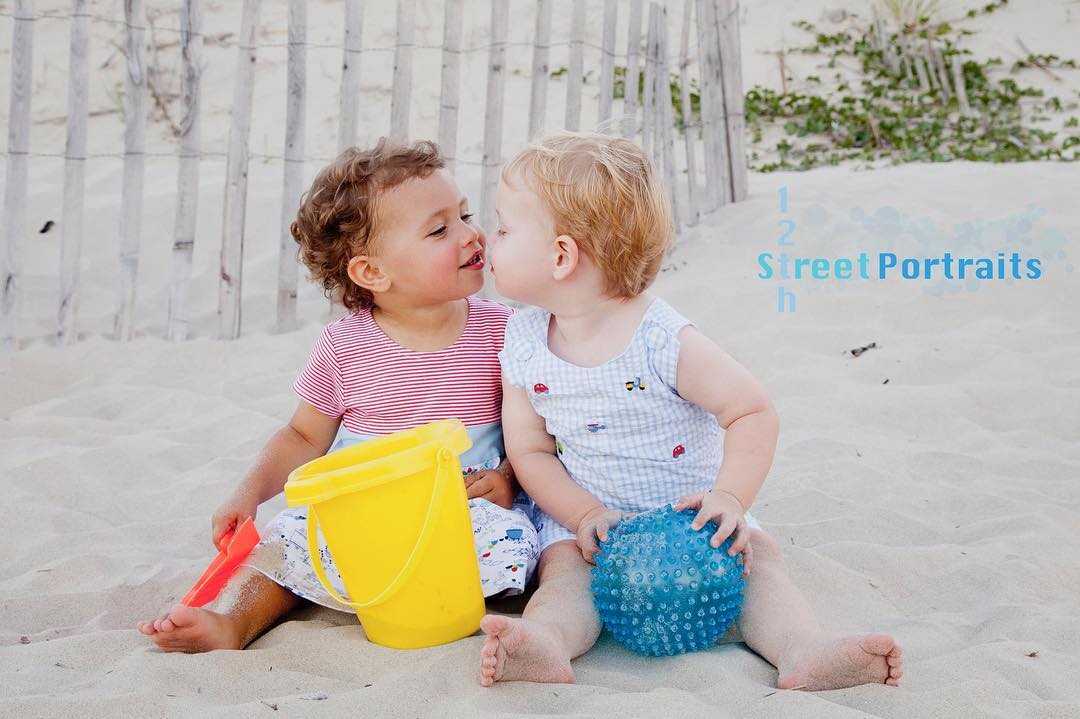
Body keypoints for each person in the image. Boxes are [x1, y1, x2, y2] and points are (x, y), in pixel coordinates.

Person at [478, 131, 903, 690]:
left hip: (690, 513)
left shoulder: (663, 340)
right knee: (562, 576)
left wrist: (729, 499)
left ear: (561, 256)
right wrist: (582, 516)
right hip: (590, 518)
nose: (489, 239)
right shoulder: (524, 342)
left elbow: (750, 411)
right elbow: (529, 449)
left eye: (505, 229)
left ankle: (802, 647)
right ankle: (549, 643)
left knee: (760, 565)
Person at [138, 139, 537, 652]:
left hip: (459, 511)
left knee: (517, 541)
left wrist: (504, 480)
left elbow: (535, 434)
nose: (470, 235)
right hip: (361, 515)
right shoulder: (345, 346)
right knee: (282, 546)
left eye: (465, 215)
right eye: (439, 229)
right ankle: (233, 622)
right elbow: (304, 437)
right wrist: (249, 492)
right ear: (372, 272)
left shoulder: (504, 333)